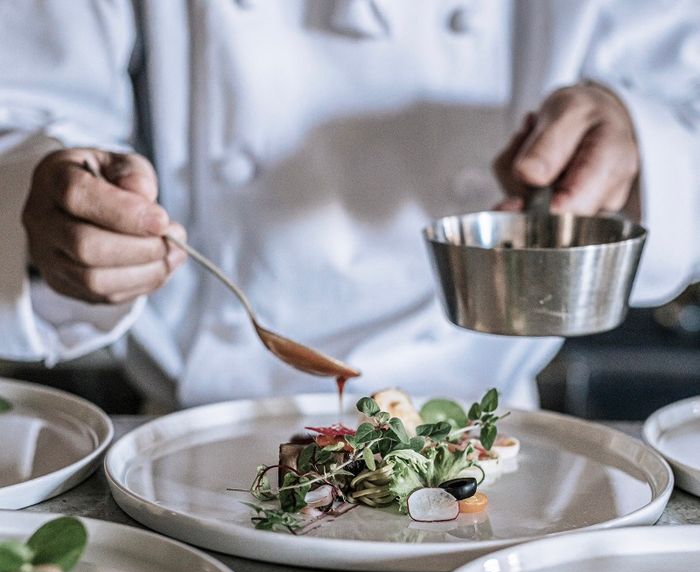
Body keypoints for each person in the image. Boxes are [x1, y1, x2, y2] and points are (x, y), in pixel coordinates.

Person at [0, 0, 698, 410]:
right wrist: (53, 209)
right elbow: (23, 105)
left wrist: (637, 138)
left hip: (491, 429)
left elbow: (683, 101)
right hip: (201, 424)